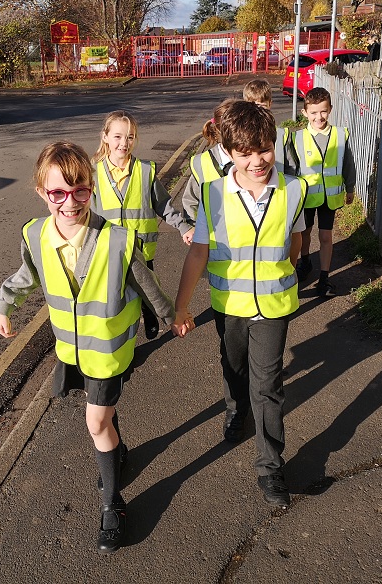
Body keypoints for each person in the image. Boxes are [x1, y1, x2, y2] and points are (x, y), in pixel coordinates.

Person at [0, 141, 177, 554]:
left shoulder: (117, 240)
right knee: (105, 421)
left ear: (91, 187)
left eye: (80, 191)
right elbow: (27, 275)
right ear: (42, 192)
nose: (70, 202)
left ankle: (113, 506)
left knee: (95, 422)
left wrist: (171, 316)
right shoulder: (35, 234)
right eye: (58, 192)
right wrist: (6, 304)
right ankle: (119, 451)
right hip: (71, 351)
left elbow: (147, 286)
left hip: (109, 353)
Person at [172, 101, 306, 509]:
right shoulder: (214, 193)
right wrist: (181, 307)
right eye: (246, 153)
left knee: (268, 384)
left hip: (273, 306)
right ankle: (234, 408)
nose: (258, 160)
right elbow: (198, 252)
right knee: (233, 365)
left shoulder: (296, 189)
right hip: (228, 305)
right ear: (228, 153)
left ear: (274, 143)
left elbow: (297, 241)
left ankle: (270, 466)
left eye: (264, 148)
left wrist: (283, 272)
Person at [92, 110, 191, 339]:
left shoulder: (145, 170)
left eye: (130, 137)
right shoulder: (92, 172)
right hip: (107, 252)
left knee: (148, 288)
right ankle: (124, 336)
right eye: (118, 136)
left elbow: (163, 205)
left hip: (141, 249)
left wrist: (183, 226)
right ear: (105, 137)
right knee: (116, 299)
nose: (124, 143)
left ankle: (150, 313)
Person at [285, 87, 356, 296]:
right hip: (305, 198)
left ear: (330, 109)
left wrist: (349, 187)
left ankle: (324, 278)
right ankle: (305, 261)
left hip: (329, 198)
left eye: (323, 111)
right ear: (305, 112)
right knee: (304, 233)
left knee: (326, 236)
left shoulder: (340, 135)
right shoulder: (297, 138)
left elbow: (348, 164)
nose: (319, 117)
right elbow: (291, 169)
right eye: (314, 112)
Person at [181, 98, 237, 243]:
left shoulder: (253, 161)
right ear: (218, 130)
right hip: (213, 242)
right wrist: (192, 227)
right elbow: (190, 199)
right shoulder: (202, 162)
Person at [242, 78, 289, 173]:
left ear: (270, 104)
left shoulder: (283, 134)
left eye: (261, 107)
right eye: (253, 106)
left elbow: (291, 166)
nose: (257, 111)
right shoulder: (241, 134)